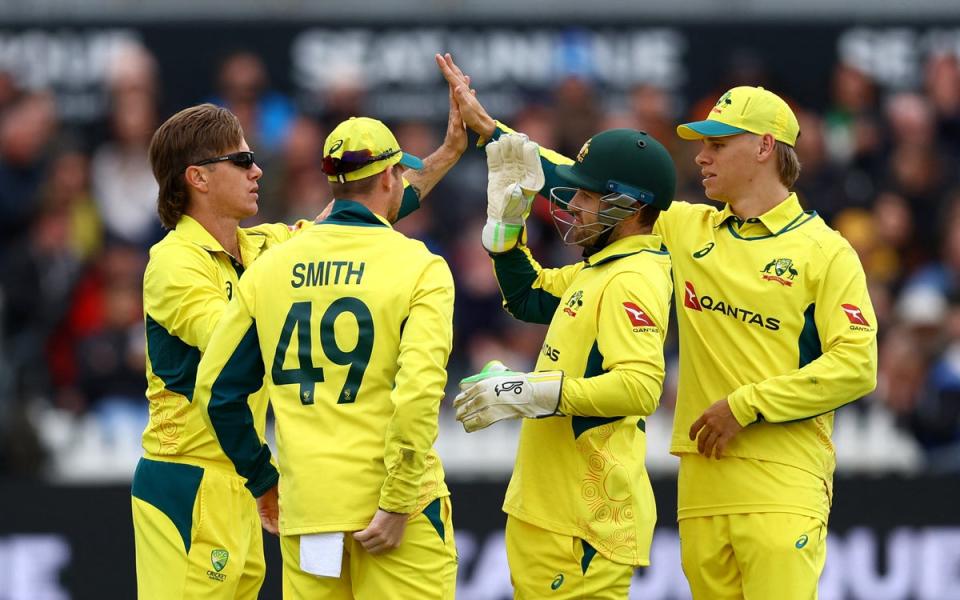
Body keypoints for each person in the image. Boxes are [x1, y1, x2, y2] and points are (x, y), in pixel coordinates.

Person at [438, 53, 878, 599]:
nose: (701, 157)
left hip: (782, 482)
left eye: (717, 145)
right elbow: (589, 181)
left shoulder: (824, 252)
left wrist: (747, 404)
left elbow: (857, 366)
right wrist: (489, 130)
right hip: (701, 486)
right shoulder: (689, 229)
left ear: (765, 147)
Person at [133, 99, 465, 600]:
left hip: (253, 477)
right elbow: (244, 342)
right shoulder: (173, 263)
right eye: (241, 160)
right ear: (198, 178)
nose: (257, 169)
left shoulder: (264, 252)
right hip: (190, 477)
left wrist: (447, 153)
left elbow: (364, 215)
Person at [453, 126, 676, 597]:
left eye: (589, 194)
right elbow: (528, 297)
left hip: (584, 523)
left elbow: (639, 388)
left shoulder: (632, 278)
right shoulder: (601, 269)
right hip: (550, 510)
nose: (573, 203)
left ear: (631, 206)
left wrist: (529, 391)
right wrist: (507, 226)